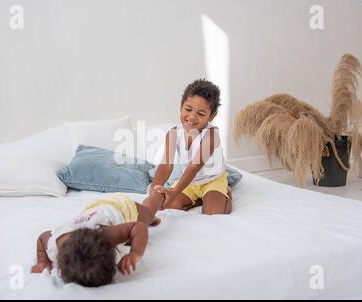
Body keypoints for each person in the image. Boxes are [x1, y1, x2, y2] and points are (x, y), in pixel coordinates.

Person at [30, 188, 164, 287]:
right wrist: (42, 261)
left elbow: (138, 227)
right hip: (93, 209)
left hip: (120, 206)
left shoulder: (106, 233)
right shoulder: (59, 241)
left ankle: (160, 194)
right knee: (131, 233)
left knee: (148, 214)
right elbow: (42, 238)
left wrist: (135, 253)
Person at [151, 79, 232, 215]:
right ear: (181, 107)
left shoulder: (211, 135)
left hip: (212, 180)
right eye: (188, 109)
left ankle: (227, 193)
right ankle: (196, 200)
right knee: (169, 208)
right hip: (189, 182)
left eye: (201, 114)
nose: (192, 116)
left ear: (212, 116)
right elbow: (166, 165)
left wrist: (174, 192)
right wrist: (155, 188)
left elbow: (194, 166)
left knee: (214, 214)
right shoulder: (173, 133)